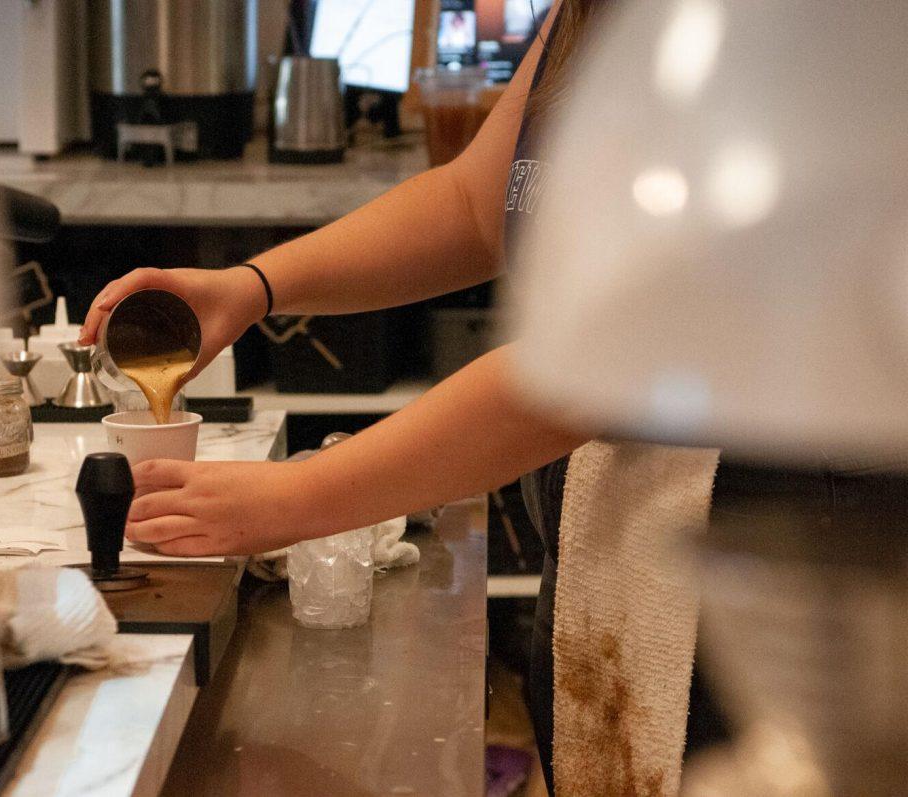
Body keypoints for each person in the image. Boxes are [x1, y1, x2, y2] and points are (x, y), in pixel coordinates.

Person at [76, 1, 710, 791]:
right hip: (621, 546)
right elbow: (476, 206)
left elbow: (608, 360)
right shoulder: (587, 16)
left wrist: (298, 495)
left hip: (771, 576)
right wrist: (252, 288)